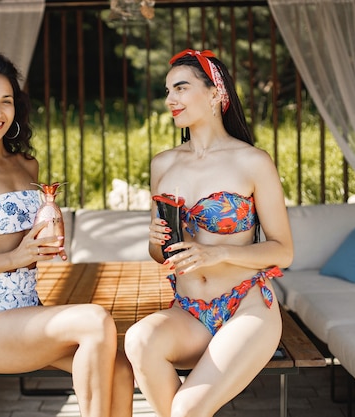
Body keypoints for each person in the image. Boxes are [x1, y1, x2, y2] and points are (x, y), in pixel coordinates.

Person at [0, 50, 133, 417]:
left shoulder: (26, 165)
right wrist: (13, 258)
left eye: (6, 101)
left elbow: (29, 239)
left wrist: (47, 241)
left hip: (27, 313)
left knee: (120, 369)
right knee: (95, 320)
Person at [123, 49, 294, 417]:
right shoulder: (163, 163)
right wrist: (155, 242)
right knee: (137, 339)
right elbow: (163, 254)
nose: (170, 99)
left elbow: (283, 252)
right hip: (188, 311)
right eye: (168, 91)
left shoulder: (252, 161)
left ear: (216, 93)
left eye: (181, 88)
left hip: (245, 307)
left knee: (185, 410)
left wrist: (218, 253)